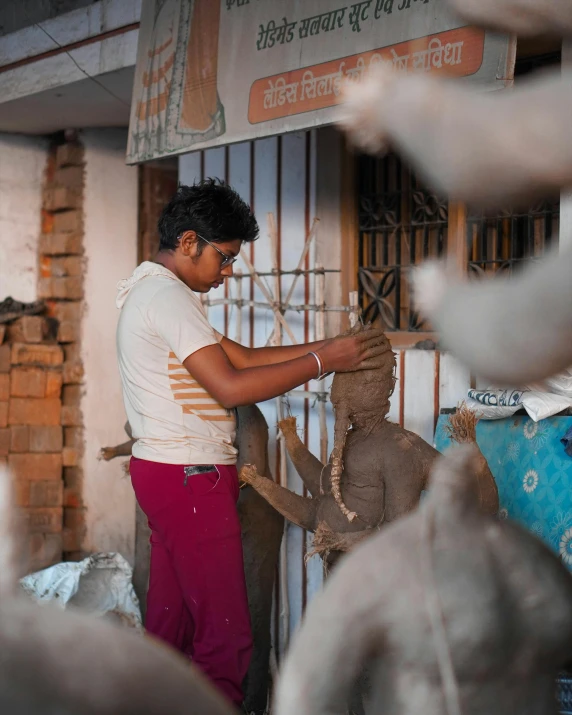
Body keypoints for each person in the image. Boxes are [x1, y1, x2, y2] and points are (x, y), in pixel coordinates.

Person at [115, 179, 386, 709]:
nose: (229, 271)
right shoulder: (167, 297)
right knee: (226, 640)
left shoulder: (151, 290)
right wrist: (325, 364)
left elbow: (237, 357)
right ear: (190, 241)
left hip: (164, 473)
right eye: (226, 257)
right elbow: (231, 386)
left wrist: (328, 348)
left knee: (171, 631)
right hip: (191, 478)